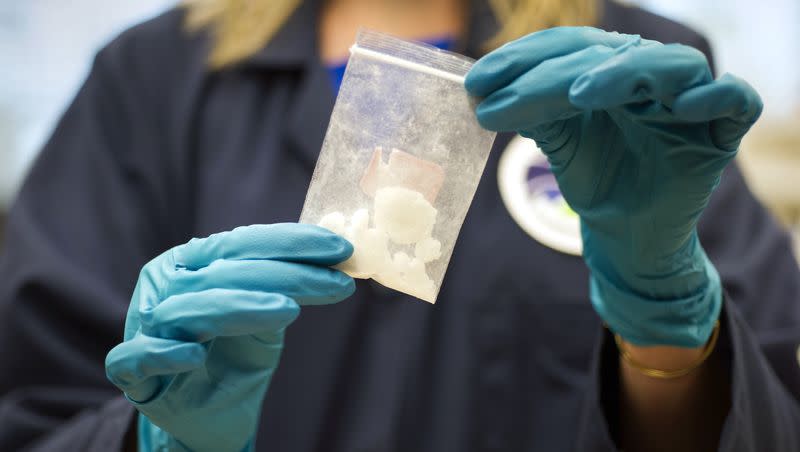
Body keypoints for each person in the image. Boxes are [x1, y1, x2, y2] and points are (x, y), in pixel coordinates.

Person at [0, 0, 798, 451]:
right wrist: (158, 440)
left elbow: (762, 424)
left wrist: (661, 316)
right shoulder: (152, 80)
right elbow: (36, 411)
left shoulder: (629, 75)